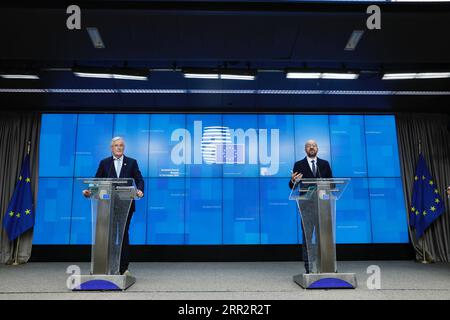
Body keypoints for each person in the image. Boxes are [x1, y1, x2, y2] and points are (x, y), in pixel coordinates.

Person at [83, 136, 144, 276]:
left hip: (126, 205)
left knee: (122, 235)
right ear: (112, 148)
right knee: (109, 236)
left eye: (121, 145)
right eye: (116, 145)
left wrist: (140, 190)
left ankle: (124, 269)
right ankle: (108, 267)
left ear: (124, 147)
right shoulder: (105, 163)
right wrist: (89, 192)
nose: (119, 147)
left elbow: (139, 179)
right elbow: (97, 181)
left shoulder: (132, 162)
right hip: (107, 205)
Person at [289, 140, 333, 274]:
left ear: (318, 149)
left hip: (322, 207)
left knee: (323, 237)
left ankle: (325, 266)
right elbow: (293, 186)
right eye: (309, 146)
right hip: (306, 207)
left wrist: (328, 185)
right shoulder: (299, 164)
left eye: (314, 145)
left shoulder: (324, 164)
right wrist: (293, 181)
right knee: (307, 238)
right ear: (305, 149)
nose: (312, 147)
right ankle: (309, 268)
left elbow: (332, 184)